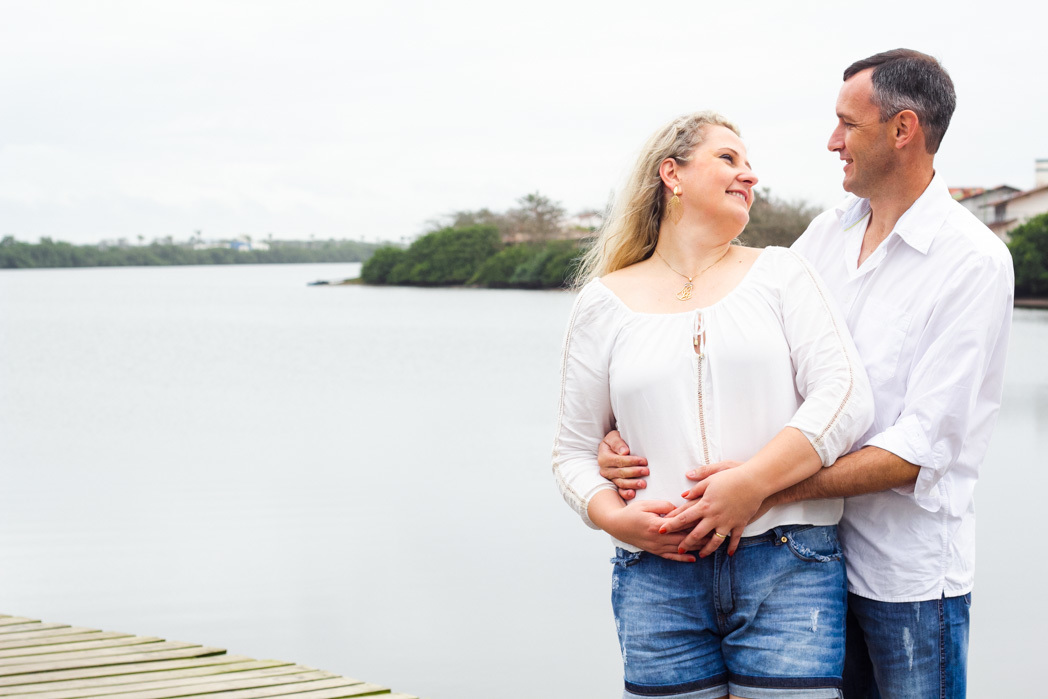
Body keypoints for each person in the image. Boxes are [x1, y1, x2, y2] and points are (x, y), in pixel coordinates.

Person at [598, 50, 1014, 698]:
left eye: (848, 123)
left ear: (902, 129)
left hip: (905, 580)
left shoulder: (973, 261)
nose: (832, 141)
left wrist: (764, 489)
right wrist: (620, 435)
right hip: (802, 568)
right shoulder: (824, 236)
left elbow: (921, 449)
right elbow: (739, 351)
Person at [552, 110, 874, 699]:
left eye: (750, 165)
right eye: (728, 159)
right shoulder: (602, 302)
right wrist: (613, 518)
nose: (749, 176)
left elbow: (845, 396)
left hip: (788, 562)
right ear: (671, 174)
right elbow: (572, 452)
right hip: (656, 573)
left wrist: (752, 483)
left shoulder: (782, 272)